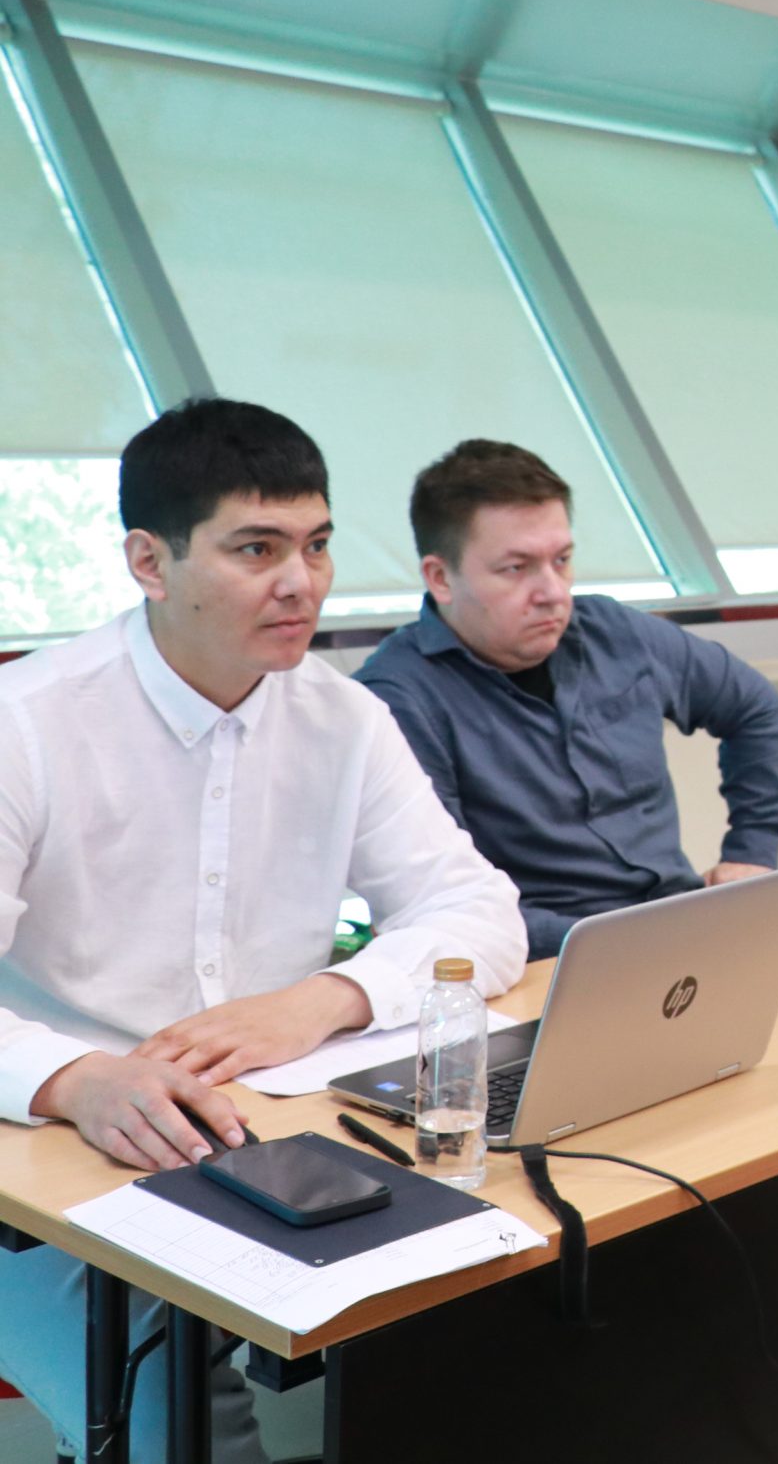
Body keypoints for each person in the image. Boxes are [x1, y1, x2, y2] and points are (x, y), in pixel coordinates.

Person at [0, 400, 526, 1464]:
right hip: (42, 1163)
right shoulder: (29, 722)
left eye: (317, 544)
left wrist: (320, 1001)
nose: (302, 582)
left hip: (265, 1134)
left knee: (492, 1319)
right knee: (180, 1426)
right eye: (257, 549)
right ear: (150, 562)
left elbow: (479, 909)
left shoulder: (342, 717)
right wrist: (74, 1079)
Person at [356, 440, 778, 960]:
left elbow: (754, 708)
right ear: (440, 578)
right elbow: (439, 899)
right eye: (516, 568)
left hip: (681, 931)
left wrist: (752, 852)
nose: (553, 592)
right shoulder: (397, 700)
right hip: (543, 961)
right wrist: (617, 944)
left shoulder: (615, 631)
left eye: (561, 560)